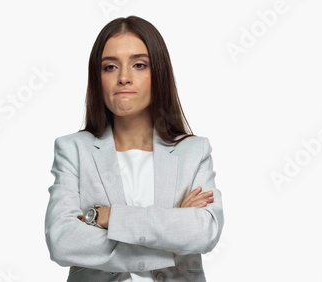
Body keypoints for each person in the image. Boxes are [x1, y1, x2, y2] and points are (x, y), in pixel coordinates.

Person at [44, 16, 224, 282]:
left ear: (158, 73)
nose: (124, 78)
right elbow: (62, 241)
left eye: (139, 65)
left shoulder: (193, 151)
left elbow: (204, 232)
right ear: (98, 78)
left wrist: (111, 218)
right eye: (110, 67)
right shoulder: (73, 150)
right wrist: (170, 237)